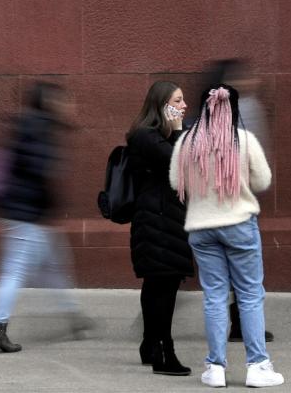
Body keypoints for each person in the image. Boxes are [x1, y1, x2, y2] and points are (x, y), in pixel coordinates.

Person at [170, 85, 284, 388]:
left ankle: (215, 367)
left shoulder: (187, 141)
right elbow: (263, 180)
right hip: (238, 224)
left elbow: (174, 181)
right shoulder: (243, 140)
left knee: (215, 297)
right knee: (249, 295)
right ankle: (258, 365)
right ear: (233, 109)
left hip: (201, 228)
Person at [0, 81, 89, 354]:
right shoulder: (40, 129)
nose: (69, 105)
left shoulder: (28, 125)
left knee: (53, 266)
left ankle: (74, 316)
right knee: (14, 272)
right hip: (27, 214)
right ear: (50, 102)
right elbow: (41, 172)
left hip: (24, 212)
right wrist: (51, 208)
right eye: (63, 100)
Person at [199, 58, 274, 343]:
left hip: (218, 200)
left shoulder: (212, 108)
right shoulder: (240, 108)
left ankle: (225, 344)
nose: (252, 81)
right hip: (235, 199)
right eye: (243, 77)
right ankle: (243, 331)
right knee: (241, 270)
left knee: (218, 269)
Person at [127, 81, 194, 376]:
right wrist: (178, 127)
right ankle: (164, 353)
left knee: (158, 285)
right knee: (162, 287)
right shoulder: (145, 136)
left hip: (164, 220)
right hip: (157, 221)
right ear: (162, 105)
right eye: (177, 101)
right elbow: (179, 163)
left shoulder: (156, 136)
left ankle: (150, 345)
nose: (184, 106)